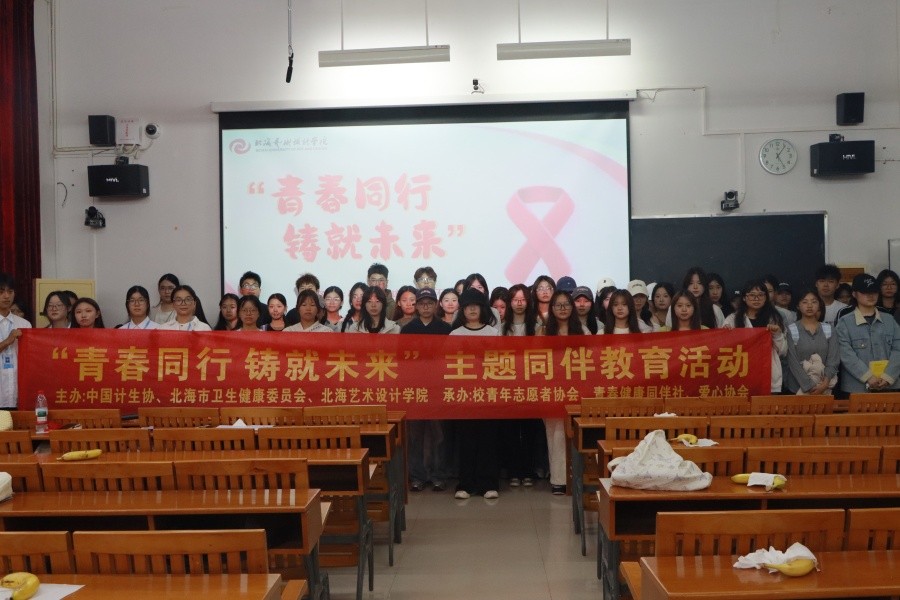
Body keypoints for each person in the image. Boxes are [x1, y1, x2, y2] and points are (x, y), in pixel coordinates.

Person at [451, 288, 501, 500]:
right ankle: (465, 484)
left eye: (476, 306)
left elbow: (500, 362)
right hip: (464, 395)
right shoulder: (455, 334)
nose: (472, 309)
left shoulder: (493, 333)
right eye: (468, 306)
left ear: (483, 309)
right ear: (462, 310)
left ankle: (488, 483)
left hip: (488, 393)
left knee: (488, 439)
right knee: (466, 440)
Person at [402, 288, 453, 492]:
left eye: (429, 303)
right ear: (416, 306)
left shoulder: (445, 329)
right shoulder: (408, 329)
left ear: (436, 305)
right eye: (422, 303)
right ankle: (417, 476)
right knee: (415, 436)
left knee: (439, 435)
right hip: (415, 389)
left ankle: (439, 475)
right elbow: (401, 359)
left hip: (438, 388)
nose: (426, 307)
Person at [540, 289, 586, 495]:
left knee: (576, 434)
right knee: (556, 435)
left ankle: (577, 477)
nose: (562, 308)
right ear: (551, 308)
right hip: (552, 390)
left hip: (577, 390)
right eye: (558, 305)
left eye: (566, 304)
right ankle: (558, 479)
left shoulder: (583, 331)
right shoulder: (543, 332)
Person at [500, 283, 540, 487]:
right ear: (509, 302)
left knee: (530, 429)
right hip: (508, 384)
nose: (519, 303)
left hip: (531, 383)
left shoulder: (538, 325)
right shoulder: (501, 326)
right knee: (511, 430)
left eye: (523, 299)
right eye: (515, 300)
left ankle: (528, 470)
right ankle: (514, 471)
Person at [835, 273, 900, 394]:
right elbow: (846, 354)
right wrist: (867, 376)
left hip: (889, 385)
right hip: (856, 388)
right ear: (854, 294)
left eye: (874, 291)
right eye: (865, 292)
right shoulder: (844, 322)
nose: (871, 295)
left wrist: (888, 376)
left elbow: (898, 349)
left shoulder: (889, 320)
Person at [723, 279, 787, 394]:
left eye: (761, 295)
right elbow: (723, 349)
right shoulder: (732, 319)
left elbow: (783, 352)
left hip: (767, 374)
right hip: (741, 373)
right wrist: (725, 334)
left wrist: (777, 334)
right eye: (752, 295)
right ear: (744, 298)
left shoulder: (774, 318)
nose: (756, 299)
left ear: (766, 297)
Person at [784, 290, 840, 395]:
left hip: (824, 386)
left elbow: (833, 359)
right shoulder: (791, 330)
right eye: (805, 302)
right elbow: (793, 362)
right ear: (798, 306)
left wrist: (825, 383)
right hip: (797, 388)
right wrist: (809, 386)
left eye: (814, 302)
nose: (809, 306)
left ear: (819, 305)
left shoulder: (829, 329)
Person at [0, 273, 31, 409]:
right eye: (1, 292)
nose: (6, 296)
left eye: (10, 291)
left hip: (17, 392)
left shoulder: (24, 324)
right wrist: (8, 341)